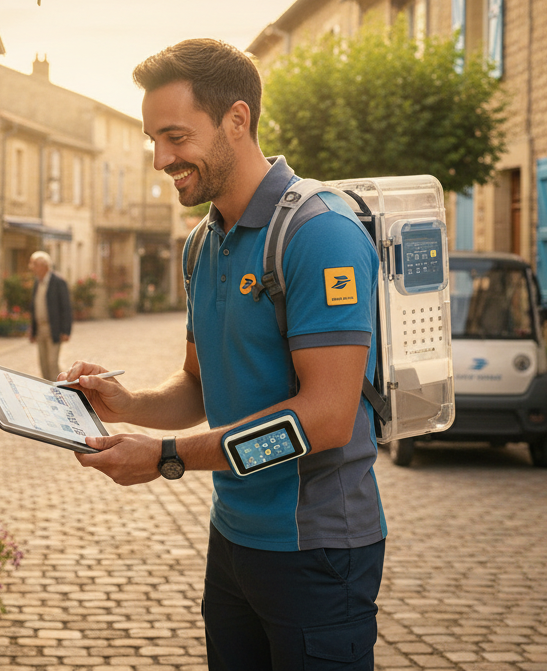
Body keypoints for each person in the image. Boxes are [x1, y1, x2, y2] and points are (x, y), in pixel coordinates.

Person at [65, 39, 385, 670]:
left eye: (176, 137)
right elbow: (198, 388)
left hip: (316, 551)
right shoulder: (201, 247)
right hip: (233, 541)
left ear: (237, 120)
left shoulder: (319, 234)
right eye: (153, 140)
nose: (160, 158)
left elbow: (324, 420)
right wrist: (125, 402)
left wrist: (165, 458)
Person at [28, 250, 72, 381]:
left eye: (35, 264)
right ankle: (48, 392)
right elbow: (34, 307)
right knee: (43, 364)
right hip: (40, 329)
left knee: (52, 363)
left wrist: (66, 330)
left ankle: (60, 391)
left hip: (54, 329)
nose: (32, 268)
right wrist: (33, 330)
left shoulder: (58, 282)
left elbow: (66, 307)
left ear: (44, 266)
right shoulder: (37, 282)